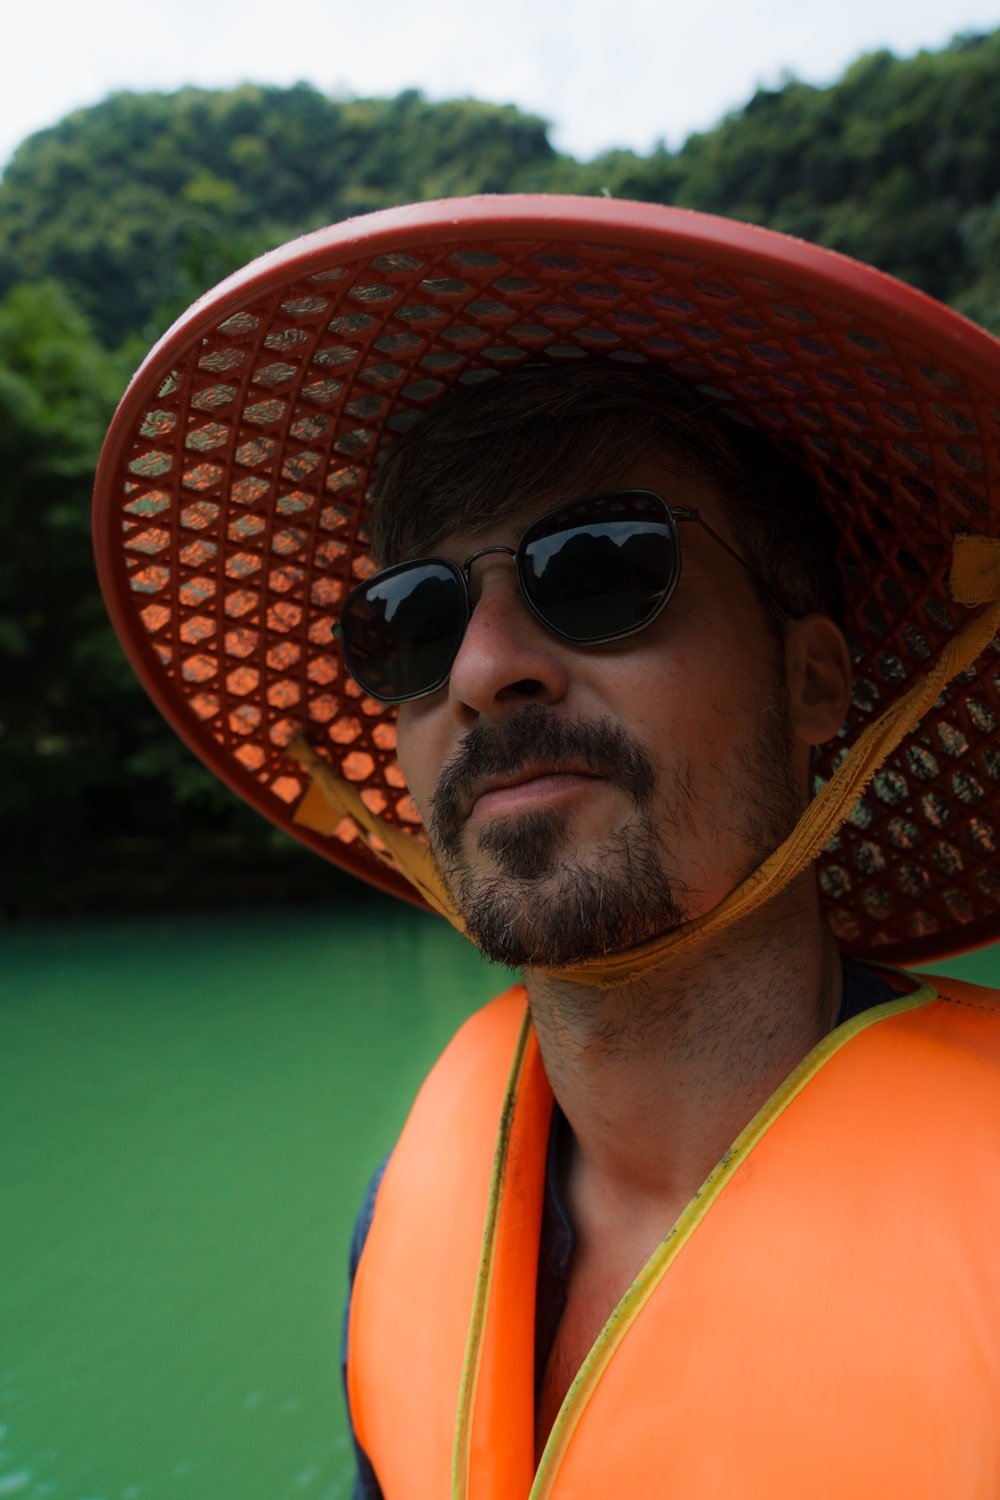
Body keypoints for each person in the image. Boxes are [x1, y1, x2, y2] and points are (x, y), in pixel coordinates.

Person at [93, 196, 1000, 1497]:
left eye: (601, 565)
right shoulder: (412, 1215)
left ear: (814, 682)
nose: (484, 668)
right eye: (411, 622)